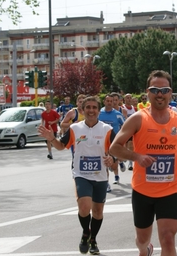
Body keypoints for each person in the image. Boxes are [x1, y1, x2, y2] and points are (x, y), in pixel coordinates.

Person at [109, 70, 177, 256]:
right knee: (142, 240)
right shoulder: (138, 118)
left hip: (170, 189)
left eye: (164, 89)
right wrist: (137, 157)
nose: (160, 93)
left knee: (167, 238)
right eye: (155, 89)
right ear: (147, 92)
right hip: (143, 190)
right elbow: (114, 148)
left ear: (170, 92)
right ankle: (146, 250)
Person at [38, 96, 117, 255]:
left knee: (98, 212)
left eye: (94, 107)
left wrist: (113, 158)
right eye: (88, 107)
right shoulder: (75, 128)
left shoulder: (106, 130)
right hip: (81, 174)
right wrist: (52, 138)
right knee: (84, 207)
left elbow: (117, 150)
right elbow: (61, 146)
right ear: (83, 110)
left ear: (98, 110)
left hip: (100, 176)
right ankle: (85, 233)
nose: (91, 110)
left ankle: (93, 239)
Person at [98, 94, 126, 187]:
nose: (110, 103)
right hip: (101, 141)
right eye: (108, 101)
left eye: (111, 101)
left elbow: (125, 126)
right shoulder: (99, 113)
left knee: (114, 163)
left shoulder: (118, 114)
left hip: (114, 141)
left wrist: (123, 137)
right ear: (104, 102)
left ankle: (119, 164)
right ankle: (106, 183)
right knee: (104, 161)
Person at [122, 93, 137, 170]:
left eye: (130, 98)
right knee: (125, 146)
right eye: (127, 98)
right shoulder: (122, 108)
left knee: (131, 146)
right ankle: (121, 159)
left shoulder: (134, 108)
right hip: (124, 129)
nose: (129, 99)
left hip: (132, 130)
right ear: (124, 99)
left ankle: (130, 163)